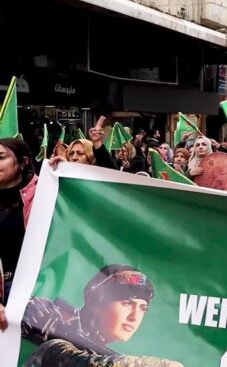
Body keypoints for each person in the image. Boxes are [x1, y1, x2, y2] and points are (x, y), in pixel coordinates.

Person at [21, 264, 182, 366]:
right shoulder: (46, 314)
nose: (134, 316)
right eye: (126, 303)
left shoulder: (96, 347)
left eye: (142, 308)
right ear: (94, 300)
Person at [0, 138, 37, 306]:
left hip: (32, 290)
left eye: (1, 157)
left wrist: (64, 175)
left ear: (23, 162)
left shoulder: (44, 192)